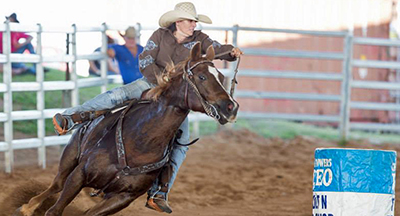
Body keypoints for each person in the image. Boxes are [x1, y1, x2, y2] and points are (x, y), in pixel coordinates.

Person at [52, 2, 243, 213]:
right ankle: (71, 118)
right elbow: (145, 60)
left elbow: (216, 49)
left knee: (181, 143)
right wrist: (160, 80)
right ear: (178, 22)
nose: (193, 25)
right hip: (152, 83)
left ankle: (160, 192)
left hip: (177, 96)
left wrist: (231, 52)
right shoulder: (160, 36)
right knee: (118, 95)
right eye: (190, 21)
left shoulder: (201, 39)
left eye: (195, 21)